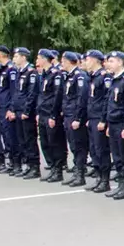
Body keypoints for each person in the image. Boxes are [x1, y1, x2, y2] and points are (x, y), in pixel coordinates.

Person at [102, 51, 124, 201]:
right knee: (117, 156)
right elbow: (110, 103)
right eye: (108, 61)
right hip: (113, 122)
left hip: (121, 123)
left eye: (112, 61)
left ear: (121, 63)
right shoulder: (114, 79)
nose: (109, 64)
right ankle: (120, 185)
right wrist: (108, 123)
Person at [36, 49, 66, 182]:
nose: (37, 61)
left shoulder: (56, 74)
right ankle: (52, 167)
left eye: (38, 58)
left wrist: (53, 115)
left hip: (50, 114)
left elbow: (57, 96)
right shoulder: (44, 74)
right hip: (42, 113)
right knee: (45, 142)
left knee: (55, 142)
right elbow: (41, 95)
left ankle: (58, 170)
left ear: (44, 59)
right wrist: (38, 111)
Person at [60, 52, 89, 187]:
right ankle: (77, 172)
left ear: (69, 62)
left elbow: (81, 99)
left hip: (75, 116)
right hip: (68, 114)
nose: (61, 63)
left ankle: (80, 175)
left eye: (63, 61)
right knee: (73, 146)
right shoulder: (70, 76)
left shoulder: (80, 76)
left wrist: (78, 117)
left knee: (79, 146)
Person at [84, 50, 112, 193]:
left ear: (95, 60)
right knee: (94, 149)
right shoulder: (92, 77)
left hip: (99, 118)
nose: (86, 62)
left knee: (101, 150)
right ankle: (99, 177)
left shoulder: (104, 77)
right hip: (92, 117)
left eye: (88, 59)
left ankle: (105, 180)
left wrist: (103, 119)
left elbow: (106, 100)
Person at [12, 48, 41, 179]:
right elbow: (17, 93)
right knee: (22, 140)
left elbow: (32, 94)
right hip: (18, 110)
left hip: (26, 112)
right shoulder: (19, 72)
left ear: (24, 57)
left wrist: (26, 111)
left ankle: (35, 167)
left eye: (17, 56)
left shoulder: (31, 72)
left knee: (30, 139)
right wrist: (12, 109)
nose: (14, 59)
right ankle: (28, 165)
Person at [0, 45, 17, 174]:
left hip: (7, 107)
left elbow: (14, 91)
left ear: (2, 54)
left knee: (10, 136)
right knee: (5, 135)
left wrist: (11, 108)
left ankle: (15, 163)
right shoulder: (2, 69)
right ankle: (11, 162)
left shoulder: (10, 69)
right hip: (1, 107)